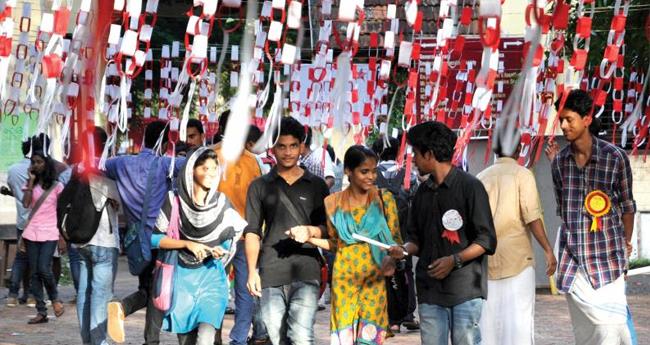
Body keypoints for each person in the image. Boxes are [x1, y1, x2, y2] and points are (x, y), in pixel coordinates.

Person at [388, 121, 497, 345]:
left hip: (465, 289)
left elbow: (486, 240)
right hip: (429, 291)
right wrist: (403, 251)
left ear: (429, 154)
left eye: (416, 153)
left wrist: (454, 260)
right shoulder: (421, 193)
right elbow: (415, 239)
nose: (414, 160)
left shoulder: (470, 187)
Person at [549, 89, 636, 345]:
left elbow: (628, 206)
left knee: (611, 326)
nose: (563, 126)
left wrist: (626, 245)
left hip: (608, 260)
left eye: (569, 119)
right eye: (561, 119)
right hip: (574, 263)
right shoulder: (559, 163)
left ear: (587, 119)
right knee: (586, 332)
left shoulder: (616, 158)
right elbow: (563, 210)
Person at [245, 116, 330, 345]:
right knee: (276, 338)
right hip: (271, 270)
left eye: (293, 146)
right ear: (273, 148)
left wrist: (310, 231)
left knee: (301, 337)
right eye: (282, 146)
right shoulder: (259, 186)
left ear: (302, 146)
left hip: (307, 269)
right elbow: (252, 231)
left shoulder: (318, 185)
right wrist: (252, 271)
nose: (288, 152)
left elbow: (328, 230)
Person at [306, 145, 402, 344]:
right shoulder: (332, 202)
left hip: (374, 280)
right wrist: (309, 238)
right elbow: (335, 243)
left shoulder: (384, 200)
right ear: (348, 171)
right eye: (364, 171)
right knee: (344, 339)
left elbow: (395, 241)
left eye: (374, 171)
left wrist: (393, 257)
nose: (371, 177)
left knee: (370, 338)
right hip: (344, 280)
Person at [151, 147, 246, 345]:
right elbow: (155, 239)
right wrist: (187, 244)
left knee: (206, 338)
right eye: (205, 168)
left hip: (212, 278)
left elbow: (233, 234)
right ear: (191, 170)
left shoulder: (221, 202)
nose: (211, 174)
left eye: (214, 168)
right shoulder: (173, 200)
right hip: (182, 280)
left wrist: (222, 249)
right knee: (186, 341)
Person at [476, 128, 557, 345]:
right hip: (519, 262)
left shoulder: (480, 178)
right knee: (519, 324)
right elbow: (532, 217)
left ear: (494, 148)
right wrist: (548, 250)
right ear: (519, 148)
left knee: (489, 324)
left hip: (487, 261)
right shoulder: (523, 175)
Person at [105, 120, 183, 344]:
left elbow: (100, 166)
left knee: (149, 289)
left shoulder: (120, 163)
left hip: (135, 240)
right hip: (160, 238)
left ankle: (149, 337)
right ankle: (125, 309)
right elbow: (194, 165)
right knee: (158, 292)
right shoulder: (165, 164)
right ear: (165, 142)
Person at [213, 112, 267, 345]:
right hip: (241, 235)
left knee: (215, 288)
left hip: (218, 235)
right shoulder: (253, 161)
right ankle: (237, 340)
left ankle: (214, 336)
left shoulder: (208, 155)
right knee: (244, 291)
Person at [72, 127, 122, 345]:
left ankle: (87, 340)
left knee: (84, 292)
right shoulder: (106, 169)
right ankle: (99, 342)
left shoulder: (74, 170)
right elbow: (118, 201)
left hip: (80, 241)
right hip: (103, 240)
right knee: (100, 295)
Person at [371, 136, 419, 333]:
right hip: (403, 233)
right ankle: (406, 314)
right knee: (405, 272)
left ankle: (387, 317)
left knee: (381, 272)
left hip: (376, 234)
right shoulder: (409, 175)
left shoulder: (371, 175)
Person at [21, 149, 66, 324]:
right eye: (33, 162)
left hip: (50, 232)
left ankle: (55, 299)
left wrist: (62, 236)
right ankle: (41, 311)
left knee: (44, 269)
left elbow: (61, 212)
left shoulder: (57, 186)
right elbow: (26, 204)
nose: (36, 165)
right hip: (32, 232)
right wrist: (31, 183)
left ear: (46, 164)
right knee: (34, 273)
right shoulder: (30, 183)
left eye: (39, 162)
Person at [1, 139, 35, 307]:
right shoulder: (41, 171)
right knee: (35, 260)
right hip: (38, 222)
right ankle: (30, 295)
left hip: (22, 220)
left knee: (21, 258)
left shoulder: (13, 169)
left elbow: (16, 192)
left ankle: (13, 294)